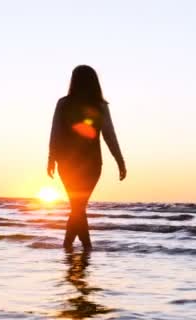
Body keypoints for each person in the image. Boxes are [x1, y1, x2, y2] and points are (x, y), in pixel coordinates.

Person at [47, 65, 126, 250]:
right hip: (91, 163)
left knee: (77, 206)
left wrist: (51, 158)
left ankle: (74, 246)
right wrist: (120, 161)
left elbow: (55, 133)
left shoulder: (65, 103)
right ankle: (81, 248)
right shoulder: (98, 106)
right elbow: (110, 135)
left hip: (67, 162)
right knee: (78, 206)